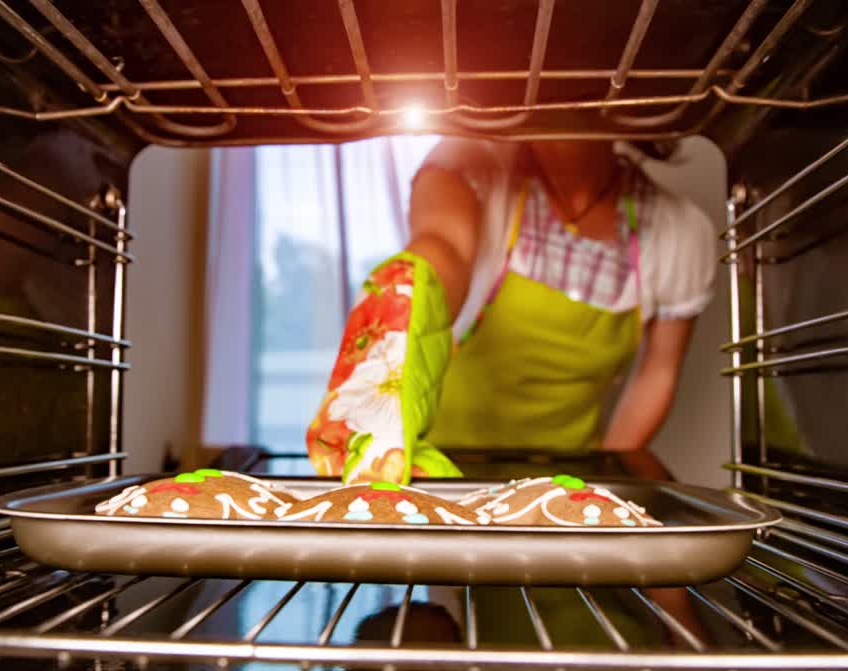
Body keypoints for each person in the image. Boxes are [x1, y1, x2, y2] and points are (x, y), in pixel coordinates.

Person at [305, 136, 716, 485]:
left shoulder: (678, 229)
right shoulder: (468, 167)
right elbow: (443, 247)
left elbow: (656, 375)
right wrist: (388, 325)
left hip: (565, 478)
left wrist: (603, 486)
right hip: (440, 481)